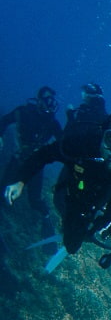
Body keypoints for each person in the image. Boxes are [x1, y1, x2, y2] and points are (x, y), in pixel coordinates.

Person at [4, 110, 111, 273]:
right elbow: (44, 154)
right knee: (71, 246)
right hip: (80, 201)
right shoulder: (82, 146)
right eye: (110, 139)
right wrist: (21, 180)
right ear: (101, 135)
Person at [0, 86, 62, 228]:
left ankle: (46, 219)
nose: (50, 103)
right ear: (39, 100)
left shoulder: (52, 122)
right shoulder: (24, 112)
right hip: (19, 158)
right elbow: (4, 120)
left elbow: (63, 142)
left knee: (35, 200)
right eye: (47, 99)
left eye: (52, 100)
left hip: (36, 163)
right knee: (3, 190)